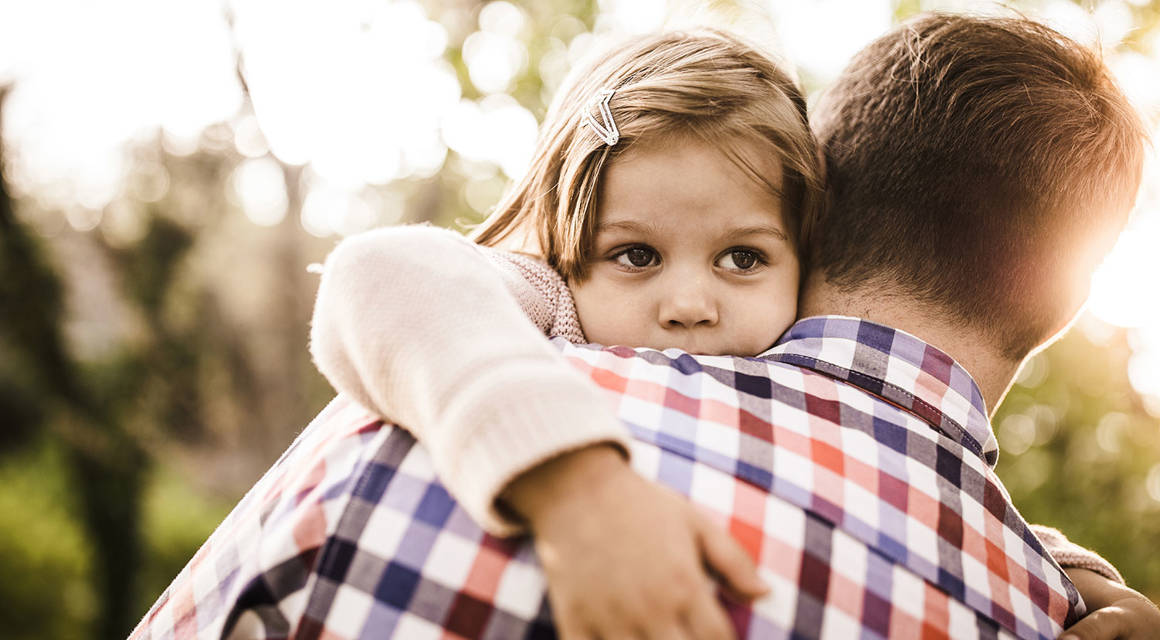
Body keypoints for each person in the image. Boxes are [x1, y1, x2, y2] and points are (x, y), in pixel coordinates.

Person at [130, 14, 1160, 640]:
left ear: (813, 223)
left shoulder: (391, 452)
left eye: (740, 257)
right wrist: (576, 486)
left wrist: (1075, 571)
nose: (685, 302)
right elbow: (388, 268)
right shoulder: (515, 349)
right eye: (635, 254)